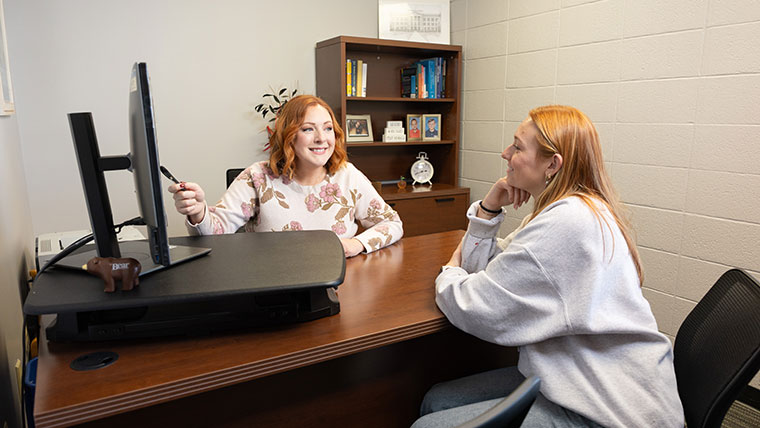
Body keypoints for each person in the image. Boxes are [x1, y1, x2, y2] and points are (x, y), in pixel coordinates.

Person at [413, 105, 683, 427]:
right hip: (572, 371)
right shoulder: (569, 209)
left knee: (426, 425)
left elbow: (475, 304)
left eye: (517, 146)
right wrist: (488, 208)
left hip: (609, 407)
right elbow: (483, 270)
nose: (505, 153)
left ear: (552, 164)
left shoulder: (567, 223)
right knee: (437, 400)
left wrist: (449, 272)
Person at [168, 95, 403, 257]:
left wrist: (356, 244)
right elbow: (214, 234)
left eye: (328, 128)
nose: (322, 138)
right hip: (273, 287)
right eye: (308, 129)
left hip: (338, 283)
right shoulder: (258, 177)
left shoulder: (347, 175)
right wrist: (198, 212)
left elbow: (392, 223)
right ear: (289, 136)